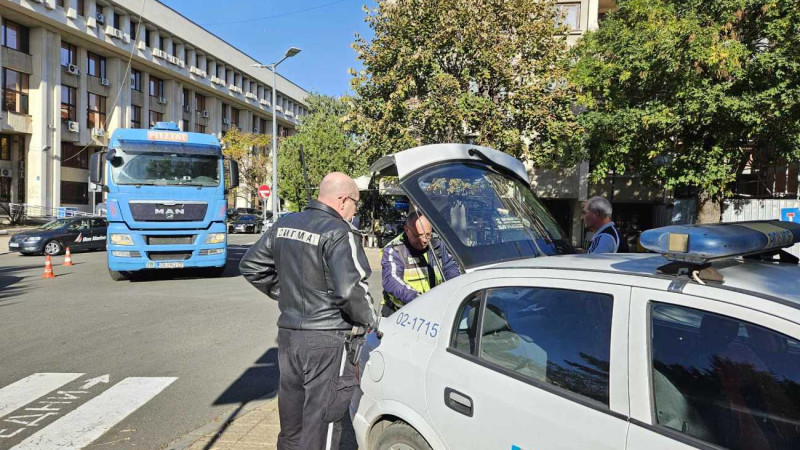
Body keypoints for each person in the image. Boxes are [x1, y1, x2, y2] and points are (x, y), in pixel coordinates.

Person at [239, 172, 377, 450]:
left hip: (290, 338)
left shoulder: (285, 223)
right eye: (355, 204)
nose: (354, 211)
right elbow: (353, 291)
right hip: (327, 341)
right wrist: (372, 320)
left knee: (292, 425)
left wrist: (286, 294)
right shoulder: (339, 232)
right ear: (342, 200)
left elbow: (251, 265)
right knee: (322, 426)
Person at [380, 212, 460, 316]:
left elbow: (450, 267)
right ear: (407, 230)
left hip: (434, 311)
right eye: (419, 235)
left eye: (428, 234)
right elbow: (391, 280)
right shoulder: (394, 250)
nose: (424, 240)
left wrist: (453, 290)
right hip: (400, 314)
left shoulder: (437, 244)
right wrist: (419, 300)